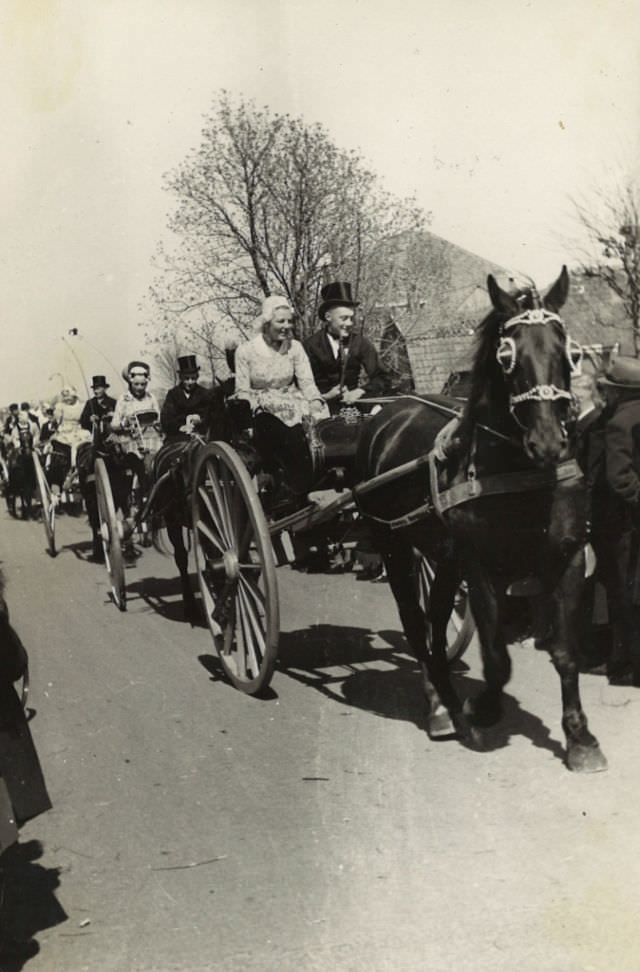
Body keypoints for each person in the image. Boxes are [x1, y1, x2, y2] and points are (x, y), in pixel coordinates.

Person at [234, 295, 329, 493]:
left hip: (293, 401)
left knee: (322, 428)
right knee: (283, 435)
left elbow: (307, 382)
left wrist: (315, 401)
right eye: (281, 321)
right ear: (267, 323)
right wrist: (248, 417)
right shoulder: (245, 351)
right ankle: (290, 486)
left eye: (289, 321)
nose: (287, 326)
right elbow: (242, 391)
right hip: (262, 408)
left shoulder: (296, 348)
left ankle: (320, 479)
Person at [596, 355, 640, 686]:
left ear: (619, 391)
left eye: (608, 389)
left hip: (623, 524)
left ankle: (623, 664)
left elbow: (619, 478)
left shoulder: (619, 422)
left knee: (622, 594)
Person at [304, 281, 388, 413]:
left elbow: (382, 377)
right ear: (328, 317)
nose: (349, 323)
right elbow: (303, 384)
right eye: (344, 318)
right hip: (323, 407)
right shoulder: (310, 346)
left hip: (355, 404)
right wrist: (325, 396)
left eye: (351, 318)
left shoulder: (360, 342)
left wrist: (360, 391)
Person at [160, 354, 226, 443]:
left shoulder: (205, 394)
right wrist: (180, 427)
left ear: (197, 377)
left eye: (193, 378)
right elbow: (166, 419)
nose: (190, 382)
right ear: (181, 377)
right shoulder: (173, 394)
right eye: (187, 378)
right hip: (177, 436)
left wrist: (200, 419)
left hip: (200, 435)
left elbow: (211, 415)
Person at [50, 386, 91, 480]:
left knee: (85, 443)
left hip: (78, 429)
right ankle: (69, 469)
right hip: (65, 430)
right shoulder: (60, 406)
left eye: (69, 397)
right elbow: (56, 422)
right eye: (65, 398)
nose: (67, 400)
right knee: (61, 446)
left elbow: (85, 419)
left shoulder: (82, 405)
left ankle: (81, 467)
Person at [79, 375, 116, 448]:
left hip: (110, 438)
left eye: (98, 389)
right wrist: (89, 419)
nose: (96, 391)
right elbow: (82, 421)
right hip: (93, 438)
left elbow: (120, 420)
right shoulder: (90, 403)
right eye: (94, 389)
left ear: (105, 389)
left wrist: (113, 416)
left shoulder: (113, 402)